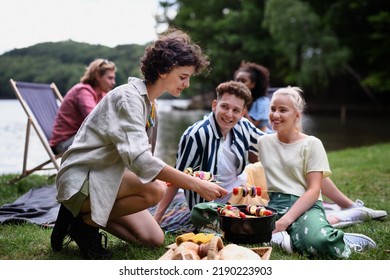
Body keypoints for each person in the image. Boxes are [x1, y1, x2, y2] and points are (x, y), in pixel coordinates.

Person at [50, 28, 228, 260]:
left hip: (109, 175)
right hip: (82, 178)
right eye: (183, 77)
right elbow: (143, 162)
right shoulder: (128, 98)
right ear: (164, 71)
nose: (186, 84)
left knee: (153, 238)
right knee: (155, 189)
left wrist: (169, 174)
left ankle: (79, 221)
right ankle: (86, 225)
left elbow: (143, 160)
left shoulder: (150, 104)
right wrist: (195, 184)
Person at [233, 61, 387, 228]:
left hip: (274, 139)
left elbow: (255, 126)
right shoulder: (254, 112)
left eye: (243, 80)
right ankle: (348, 207)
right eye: (274, 109)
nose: (239, 84)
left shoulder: (262, 102)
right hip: (270, 146)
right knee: (301, 174)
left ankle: (348, 210)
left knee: (308, 174)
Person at [257, 86, 376, 258]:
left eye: (283, 110)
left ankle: (344, 241)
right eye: (272, 109)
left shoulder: (312, 144)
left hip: (307, 204)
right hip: (275, 205)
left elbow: (314, 190)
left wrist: (285, 221)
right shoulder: (263, 142)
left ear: (297, 115)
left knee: (319, 243)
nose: (275, 115)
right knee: (248, 232)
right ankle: (289, 236)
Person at [154, 81, 265, 225]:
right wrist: (157, 217)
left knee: (264, 168)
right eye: (224, 106)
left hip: (241, 190)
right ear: (214, 105)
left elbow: (270, 146)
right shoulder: (196, 134)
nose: (229, 114)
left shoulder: (243, 125)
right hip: (211, 205)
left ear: (243, 112)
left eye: (236, 110)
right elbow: (176, 178)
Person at [49, 58, 116, 155]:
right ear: (97, 76)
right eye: (110, 78)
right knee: (112, 140)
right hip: (63, 144)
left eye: (113, 78)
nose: (113, 82)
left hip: (80, 138)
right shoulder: (82, 91)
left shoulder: (101, 94)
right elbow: (95, 120)